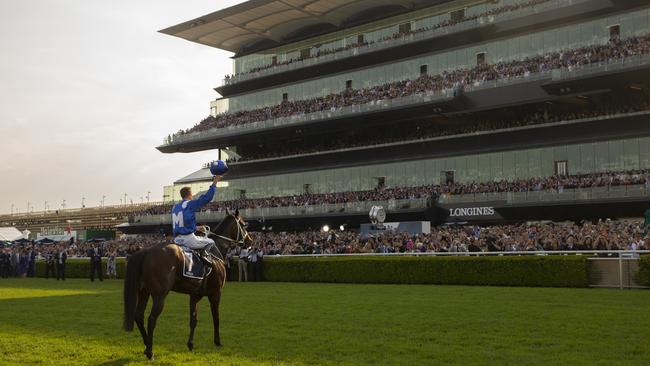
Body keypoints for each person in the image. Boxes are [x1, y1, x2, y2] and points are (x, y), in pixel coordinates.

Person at [172, 176, 221, 254]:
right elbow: (206, 198)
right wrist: (215, 182)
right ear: (189, 195)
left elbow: (182, 225)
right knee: (211, 242)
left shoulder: (175, 207)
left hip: (176, 240)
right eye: (192, 194)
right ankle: (206, 265)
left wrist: (196, 228)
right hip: (188, 239)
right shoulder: (189, 204)